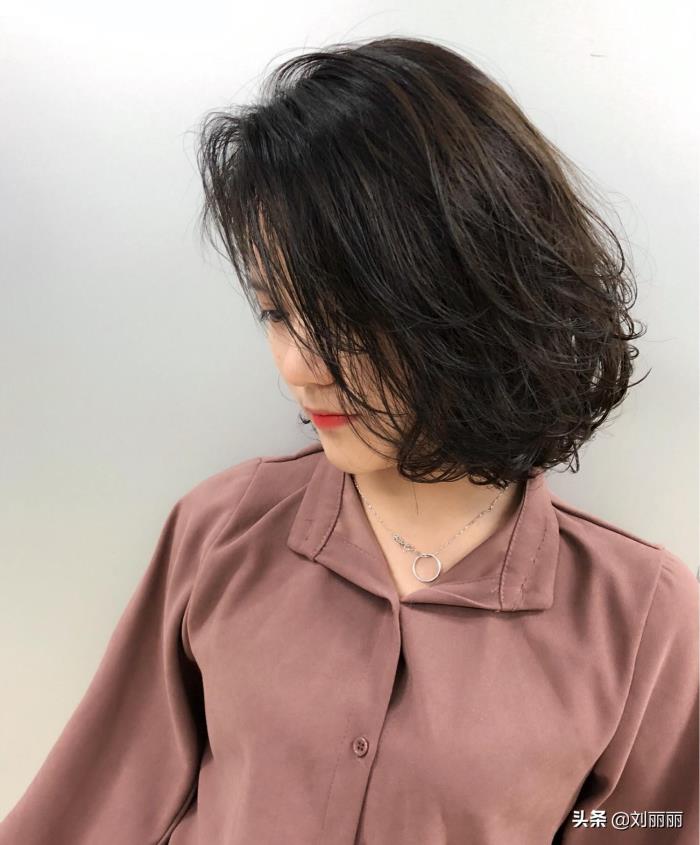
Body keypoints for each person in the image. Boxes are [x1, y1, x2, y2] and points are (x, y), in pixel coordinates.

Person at [1, 35, 697, 845]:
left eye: (346, 316)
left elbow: (653, 821)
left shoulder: (641, 619)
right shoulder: (221, 531)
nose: (298, 364)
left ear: (471, 293)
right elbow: (91, 806)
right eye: (276, 311)